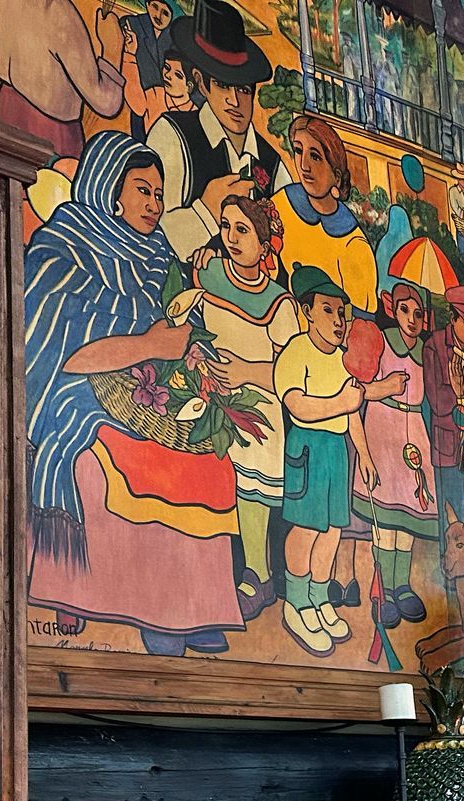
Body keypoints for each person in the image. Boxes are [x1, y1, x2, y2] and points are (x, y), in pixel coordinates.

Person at [23, 131, 242, 656]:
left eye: (159, 193)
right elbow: (59, 352)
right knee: (135, 459)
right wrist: (147, 345)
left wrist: (192, 362)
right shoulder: (64, 244)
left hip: (145, 389)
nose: (154, 203)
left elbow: (172, 328)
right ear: (109, 189)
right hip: (76, 390)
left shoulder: (157, 255)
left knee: (208, 454)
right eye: (142, 190)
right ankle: (151, 611)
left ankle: (196, 606)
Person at [275, 266, 402, 657]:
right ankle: (296, 602)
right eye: (328, 311)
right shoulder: (297, 351)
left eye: (342, 312)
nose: (338, 320)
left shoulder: (342, 360)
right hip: (308, 447)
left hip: (336, 451)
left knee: (331, 531)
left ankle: (318, 597)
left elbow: (351, 414)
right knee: (306, 529)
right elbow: (295, 403)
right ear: (308, 312)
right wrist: (342, 403)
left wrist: (364, 455)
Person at [194, 193, 299, 619]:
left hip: (260, 404)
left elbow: (291, 368)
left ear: (264, 243)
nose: (232, 238)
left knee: (252, 475)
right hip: (210, 393)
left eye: (244, 230)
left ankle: (257, 573)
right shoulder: (210, 272)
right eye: (226, 227)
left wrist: (247, 372)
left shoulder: (280, 302)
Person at [147, 0, 288, 262]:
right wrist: (207, 211)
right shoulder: (172, 135)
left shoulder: (272, 163)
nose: (235, 101)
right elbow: (151, 235)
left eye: (244, 90)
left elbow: (289, 242)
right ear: (201, 83)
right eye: (223, 86)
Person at [356, 280, 437, 631]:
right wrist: (385, 388)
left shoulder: (425, 353)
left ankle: (401, 584)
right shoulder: (381, 343)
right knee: (384, 522)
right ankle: (384, 590)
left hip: (414, 432)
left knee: (406, 522)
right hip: (382, 424)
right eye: (405, 310)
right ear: (391, 308)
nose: (412, 319)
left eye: (418, 313)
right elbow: (358, 390)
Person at [273, 114, 376, 317]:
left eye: (315, 156)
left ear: (336, 176)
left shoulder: (353, 245)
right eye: (298, 151)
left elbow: (361, 324)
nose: (304, 166)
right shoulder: (281, 203)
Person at [0, 0, 126, 157]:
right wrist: (112, 48)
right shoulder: (57, 11)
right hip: (53, 141)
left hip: (5, 123)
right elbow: (106, 102)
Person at [422, 285, 464, 527]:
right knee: (448, 517)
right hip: (446, 448)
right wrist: (458, 393)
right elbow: (436, 400)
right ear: (453, 318)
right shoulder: (434, 346)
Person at [120, 0, 177, 140]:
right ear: (147, 4)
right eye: (155, 7)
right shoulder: (133, 25)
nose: (158, 15)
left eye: (165, 13)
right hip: (138, 99)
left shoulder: (175, 39)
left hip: (167, 105)